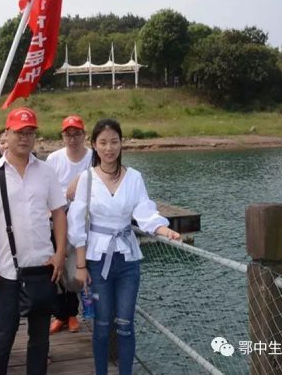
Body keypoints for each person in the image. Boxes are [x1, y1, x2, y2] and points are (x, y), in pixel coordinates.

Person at [67, 118, 181, 375]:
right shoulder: (87, 179)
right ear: (94, 145)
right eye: (103, 142)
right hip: (97, 260)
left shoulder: (134, 177)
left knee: (126, 325)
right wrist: (81, 266)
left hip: (128, 259)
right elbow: (77, 223)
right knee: (102, 325)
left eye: (114, 142)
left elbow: (144, 212)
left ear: (121, 144)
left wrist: (163, 229)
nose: (109, 148)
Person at [0, 107, 67, 375]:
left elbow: (59, 213)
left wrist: (60, 253)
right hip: (8, 272)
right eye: (19, 132)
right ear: (7, 133)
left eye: (30, 132)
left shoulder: (46, 171)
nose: (24, 138)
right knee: (2, 338)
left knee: (40, 340)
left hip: (43, 268)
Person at [46, 115, 92, 334]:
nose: (72, 139)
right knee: (56, 266)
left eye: (77, 134)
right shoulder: (54, 159)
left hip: (84, 222)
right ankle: (60, 315)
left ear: (84, 135)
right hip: (58, 218)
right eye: (68, 135)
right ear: (62, 137)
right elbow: (46, 189)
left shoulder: (93, 158)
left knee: (74, 269)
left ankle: (73, 313)